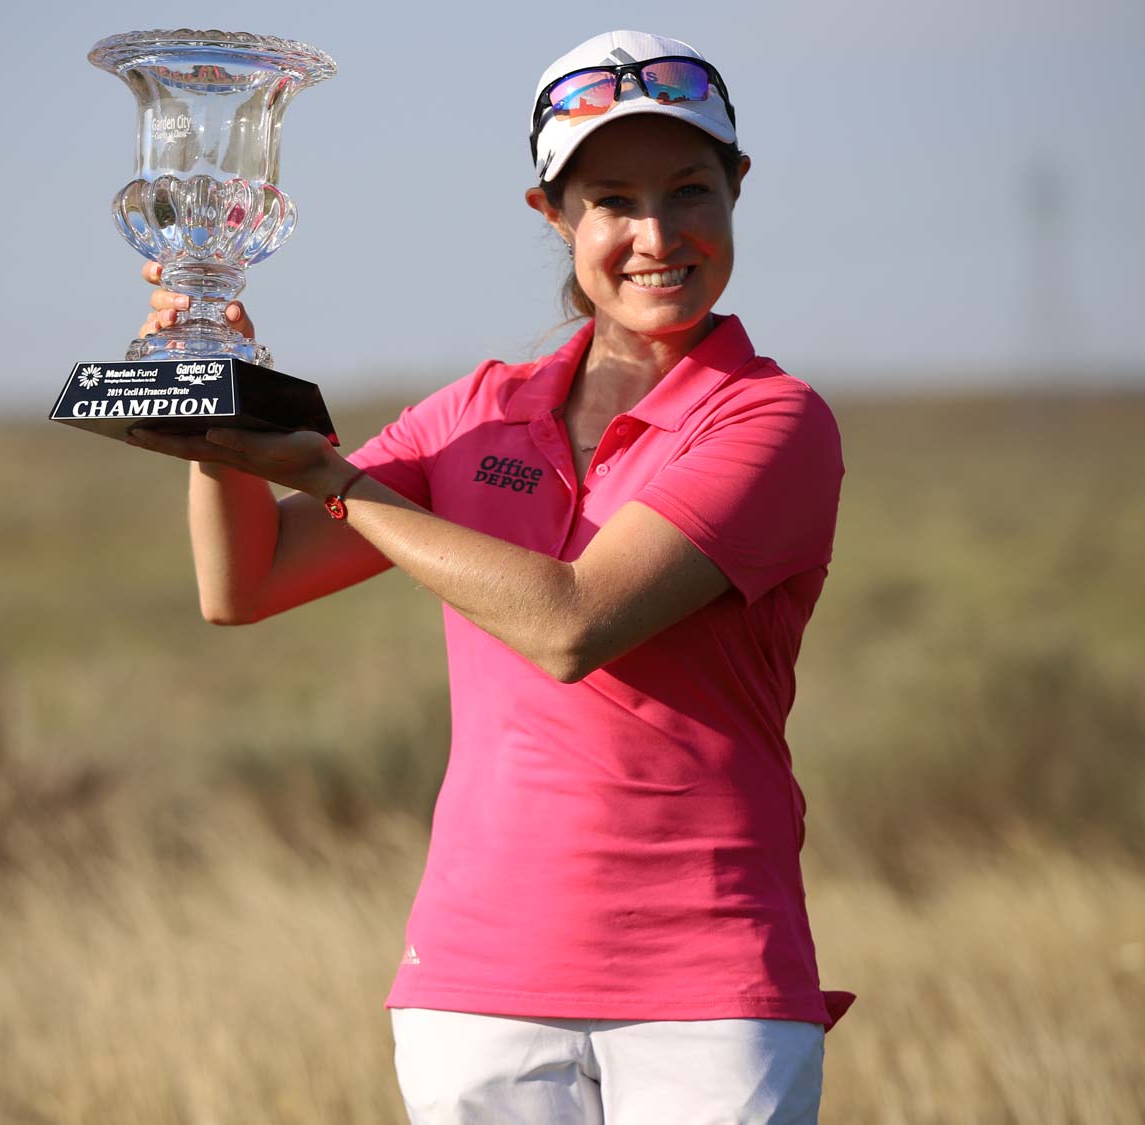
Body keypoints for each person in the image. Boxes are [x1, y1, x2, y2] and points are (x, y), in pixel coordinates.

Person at [122, 29, 852, 1125]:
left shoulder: (769, 420)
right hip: (478, 981)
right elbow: (246, 582)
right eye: (610, 200)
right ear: (552, 217)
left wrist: (327, 474)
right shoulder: (473, 411)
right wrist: (215, 421)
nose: (656, 236)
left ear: (737, 189)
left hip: (707, 979)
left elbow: (573, 627)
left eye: (688, 191)